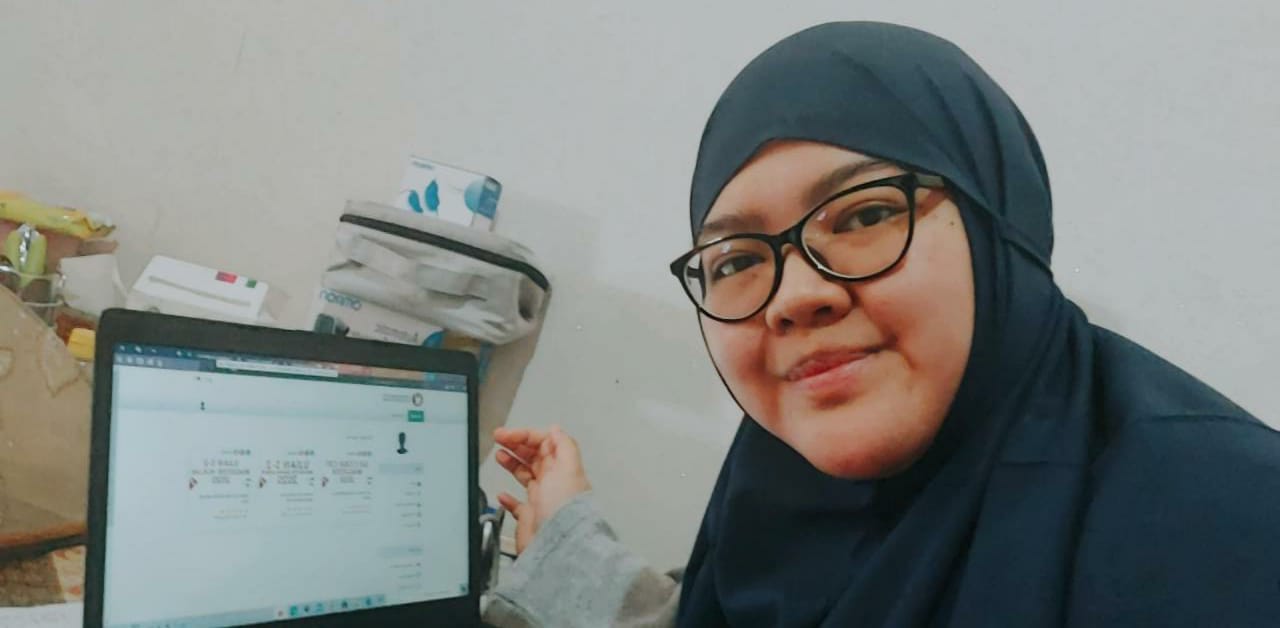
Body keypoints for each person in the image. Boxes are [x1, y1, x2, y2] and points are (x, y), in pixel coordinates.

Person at [482, 22, 1280, 628]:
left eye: (864, 214)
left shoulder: (1228, 526)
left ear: (997, 228)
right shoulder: (769, 506)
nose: (793, 297)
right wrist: (565, 541)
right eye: (736, 260)